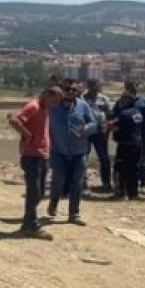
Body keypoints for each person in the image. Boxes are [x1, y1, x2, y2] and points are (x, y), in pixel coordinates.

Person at [8, 87, 63, 238]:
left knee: (38, 193)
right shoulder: (34, 106)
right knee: (34, 192)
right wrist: (28, 136)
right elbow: (14, 120)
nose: (56, 104)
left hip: (42, 156)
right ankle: (31, 226)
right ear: (47, 95)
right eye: (55, 101)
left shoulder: (44, 108)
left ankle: (28, 224)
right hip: (32, 156)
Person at [47, 80, 95, 225]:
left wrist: (86, 129)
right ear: (62, 90)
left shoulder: (83, 105)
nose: (71, 92)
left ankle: (74, 214)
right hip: (58, 151)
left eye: (74, 90)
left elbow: (93, 123)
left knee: (77, 182)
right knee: (58, 179)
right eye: (68, 89)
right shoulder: (53, 106)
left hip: (79, 152)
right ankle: (53, 203)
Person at [108, 85, 145, 200]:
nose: (120, 101)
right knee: (133, 169)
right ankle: (133, 192)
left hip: (125, 144)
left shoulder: (124, 114)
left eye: (123, 99)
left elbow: (114, 127)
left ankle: (120, 192)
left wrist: (108, 125)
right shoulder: (137, 112)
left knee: (120, 169)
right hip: (137, 144)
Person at [123, 81, 145, 194]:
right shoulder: (123, 101)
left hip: (141, 136)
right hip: (127, 138)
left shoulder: (144, 102)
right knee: (128, 161)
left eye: (134, 86)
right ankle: (130, 185)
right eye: (129, 87)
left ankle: (143, 183)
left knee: (142, 160)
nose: (132, 88)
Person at [82, 79, 113, 192]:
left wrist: (108, 131)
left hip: (101, 133)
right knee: (83, 158)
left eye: (96, 86)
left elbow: (109, 116)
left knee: (104, 158)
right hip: (86, 133)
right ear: (88, 87)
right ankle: (83, 183)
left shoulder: (104, 99)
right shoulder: (82, 99)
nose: (95, 88)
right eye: (92, 86)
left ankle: (106, 183)